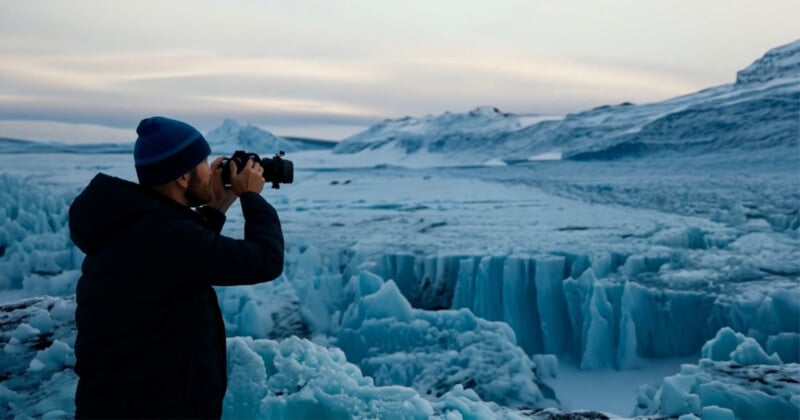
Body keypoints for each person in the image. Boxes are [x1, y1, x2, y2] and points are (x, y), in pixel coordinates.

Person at [68, 116, 285, 419]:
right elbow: (266, 261)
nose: (212, 172)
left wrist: (218, 207)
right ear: (183, 178)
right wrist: (250, 196)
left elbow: (185, 257)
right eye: (204, 163)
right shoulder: (162, 237)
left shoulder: (138, 227)